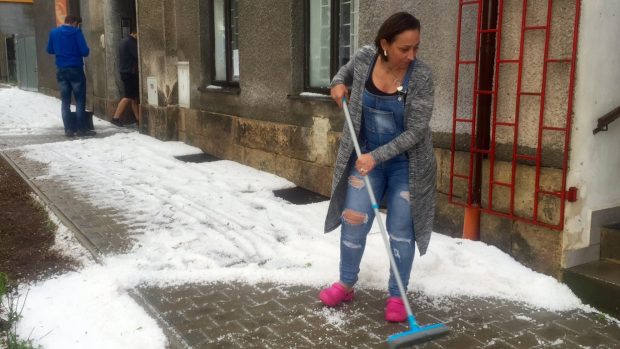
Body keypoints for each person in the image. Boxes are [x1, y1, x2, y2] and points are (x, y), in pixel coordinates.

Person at [320, 12, 436, 323]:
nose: (411, 56)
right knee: (353, 219)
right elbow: (341, 76)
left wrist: (377, 156)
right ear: (385, 44)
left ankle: (398, 294)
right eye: (404, 49)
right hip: (365, 157)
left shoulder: (421, 77)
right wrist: (337, 86)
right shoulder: (364, 59)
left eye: (416, 48)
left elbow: (415, 132)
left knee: (401, 230)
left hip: (406, 164)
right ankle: (346, 284)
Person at [46, 14, 93, 137]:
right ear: (74, 22)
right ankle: (81, 129)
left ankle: (68, 130)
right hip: (75, 69)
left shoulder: (54, 33)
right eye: (77, 24)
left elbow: (50, 50)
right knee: (80, 100)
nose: (77, 26)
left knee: (65, 101)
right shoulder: (76, 32)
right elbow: (85, 51)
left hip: (61, 70)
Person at [111, 29, 139, 127]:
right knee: (129, 96)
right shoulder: (131, 42)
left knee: (134, 98)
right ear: (135, 32)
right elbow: (137, 55)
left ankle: (138, 119)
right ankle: (116, 118)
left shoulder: (124, 40)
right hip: (129, 72)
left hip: (125, 71)